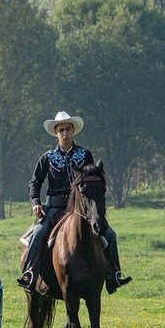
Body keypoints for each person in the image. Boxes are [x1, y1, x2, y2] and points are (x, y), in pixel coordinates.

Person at [18, 111, 132, 294]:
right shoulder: (47, 157)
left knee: (110, 235)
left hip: (81, 209)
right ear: (56, 133)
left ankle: (114, 275)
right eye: (61, 130)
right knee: (38, 232)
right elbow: (35, 182)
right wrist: (35, 203)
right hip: (55, 207)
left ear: (73, 131)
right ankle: (29, 273)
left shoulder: (85, 155)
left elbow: (92, 179)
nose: (65, 133)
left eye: (68, 129)